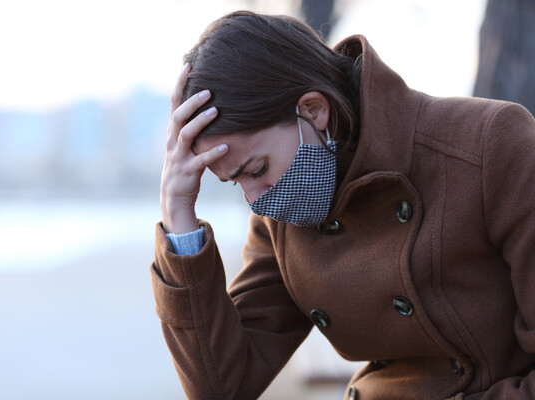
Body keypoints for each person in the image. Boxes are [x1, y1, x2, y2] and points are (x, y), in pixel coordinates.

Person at [151, 10, 535, 400]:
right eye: (235, 182)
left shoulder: (491, 145)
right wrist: (179, 217)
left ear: (314, 110)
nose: (257, 200)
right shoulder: (284, 213)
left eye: (256, 169)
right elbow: (221, 387)